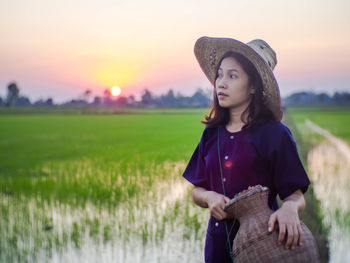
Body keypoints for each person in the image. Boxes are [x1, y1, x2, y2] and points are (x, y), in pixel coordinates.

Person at [182, 36, 311, 263]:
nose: (221, 83)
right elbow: (197, 190)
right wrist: (209, 197)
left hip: (263, 247)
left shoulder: (275, 134)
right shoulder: (211, 134)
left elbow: (295, 195)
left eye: (233, 76)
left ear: (253, 86)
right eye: (220, 74)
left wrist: (291, 208)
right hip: (217, 246)